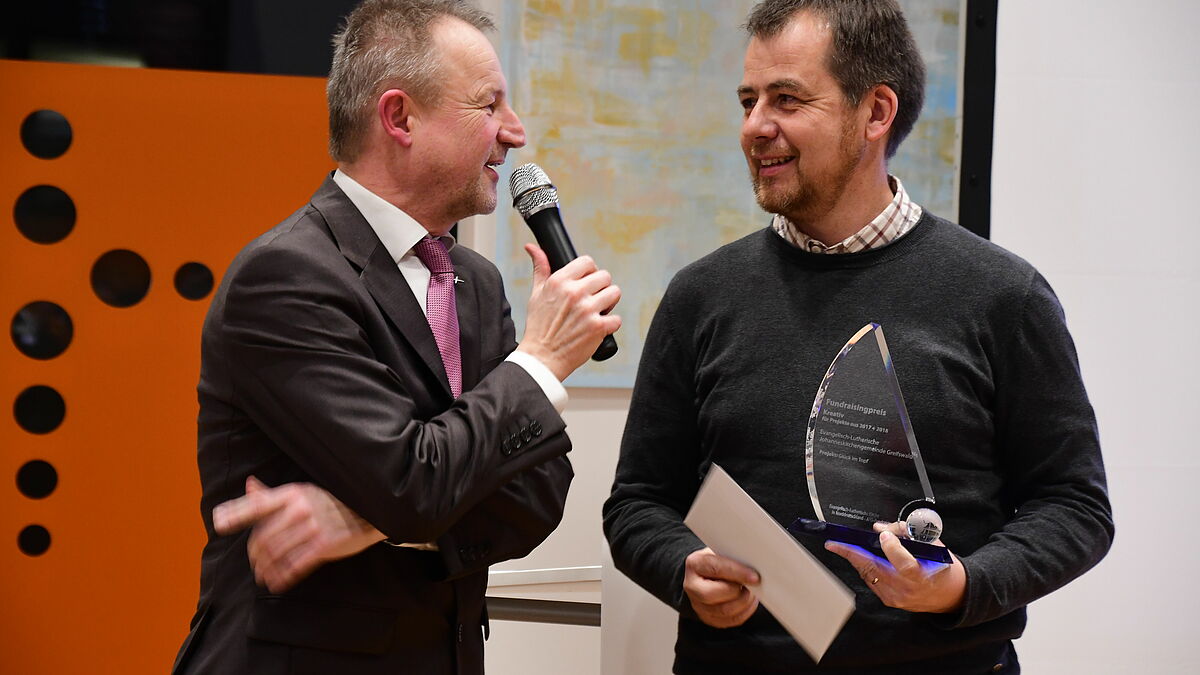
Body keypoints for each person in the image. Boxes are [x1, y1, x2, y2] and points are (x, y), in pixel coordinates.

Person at [602, 1, 1112, 673]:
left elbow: (1074, 506)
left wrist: (963, 583)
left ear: (875, 113)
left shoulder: (1003, 297)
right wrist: (681, 566)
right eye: (748, 100)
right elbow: (638, 503)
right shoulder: (701, 296)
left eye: (786, 99)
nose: (756, 126)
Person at [171, 1, 621, 673]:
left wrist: (366, 520)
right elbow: (413, 482)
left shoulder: (476, 280)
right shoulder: (286, 276)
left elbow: (535, 496)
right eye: (489, 105)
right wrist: (542, 358)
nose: (515, 132)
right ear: (399, 117)